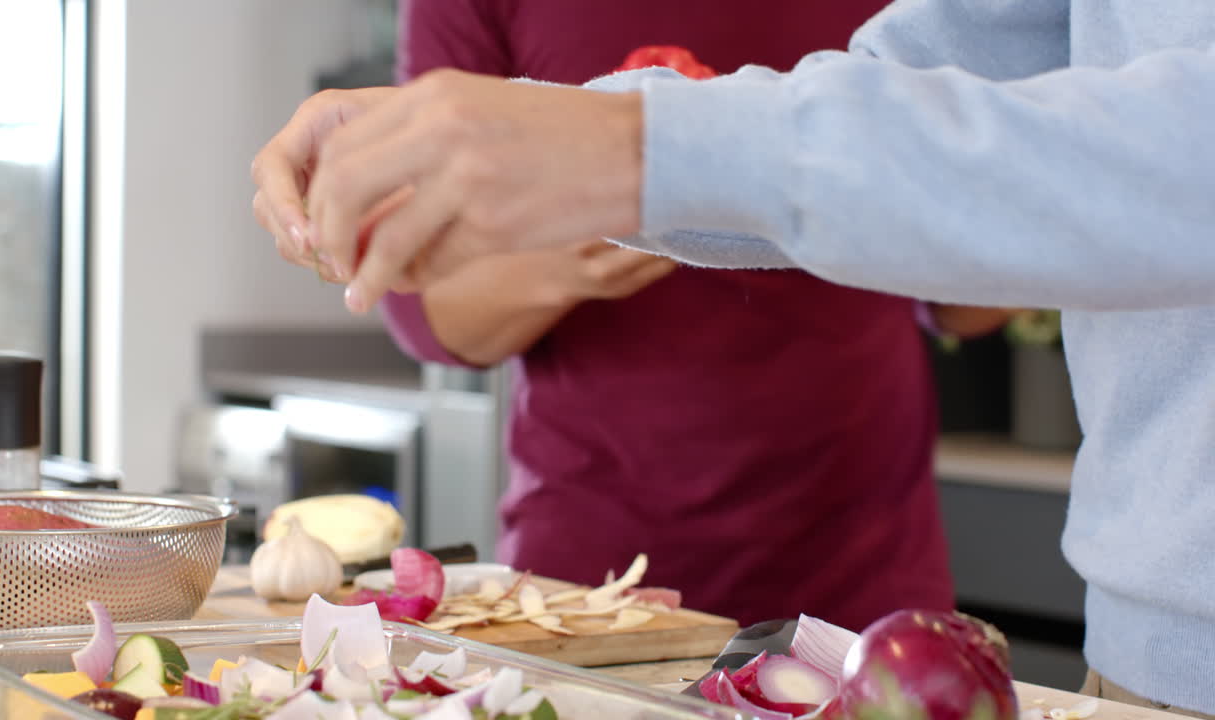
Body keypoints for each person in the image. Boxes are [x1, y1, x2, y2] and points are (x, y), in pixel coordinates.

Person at [251, 0, 1215, 714]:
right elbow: (921, 83)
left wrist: (630, 150)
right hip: (1134, 660)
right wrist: (552, 138)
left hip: (885, 572)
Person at [372, 0, 1008, 630]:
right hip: (591, 594)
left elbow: (969, 302)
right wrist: (580, 241)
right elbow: (423, 304)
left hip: (867, 584)